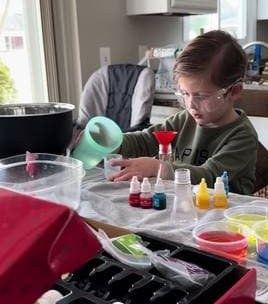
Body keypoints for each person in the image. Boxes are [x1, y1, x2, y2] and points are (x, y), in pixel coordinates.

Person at [109, 30, 258, 195]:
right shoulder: (184, 119)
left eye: (201, 96)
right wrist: (112, 142)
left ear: (234, 91)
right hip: (184, 208)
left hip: (225, 215)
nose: (191, 105)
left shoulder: (242, 136)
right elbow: (146, 141)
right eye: (185, 94)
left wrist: (158, 168)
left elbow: (209, 176)